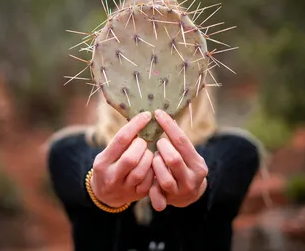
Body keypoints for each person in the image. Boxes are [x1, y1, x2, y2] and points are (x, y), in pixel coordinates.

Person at [46, 81, 266, 251]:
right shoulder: (68, 149)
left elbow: (216, 170)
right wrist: (97, 185)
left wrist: (199, 186)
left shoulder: (236, 150)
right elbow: (84, 165)